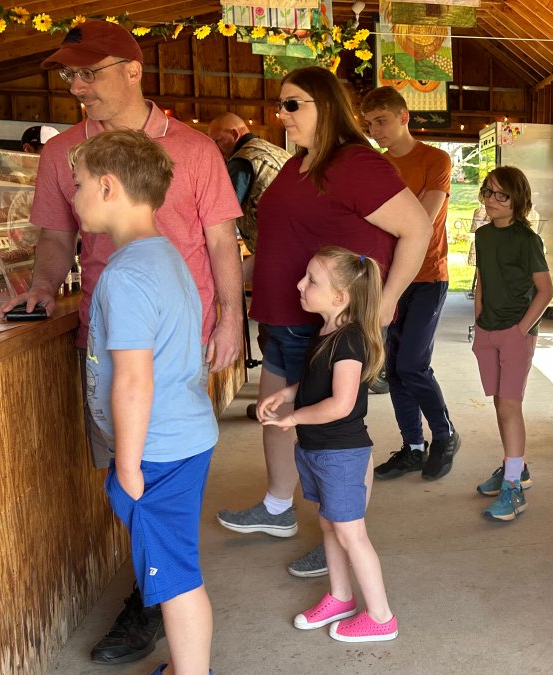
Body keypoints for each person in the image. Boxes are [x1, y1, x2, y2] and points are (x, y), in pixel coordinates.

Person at [2, 20, 243, 666]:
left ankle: (160, 600)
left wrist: (231, 318)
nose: (77, 87)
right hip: (118, 345)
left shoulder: (194, 149)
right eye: (69, 75)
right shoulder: (64, 155)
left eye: (89, 72)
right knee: (148, 495)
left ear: (132, 70)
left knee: (145, 486)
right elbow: (53, 238)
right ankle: (156, 586)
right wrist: (44, 288)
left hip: (165, 351)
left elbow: (222, 242)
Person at [214, 67, 431, 580]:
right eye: (282, 104)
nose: (280, 115)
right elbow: (279, 242)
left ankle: (340, 533)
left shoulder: (355, 163)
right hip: (284, 316)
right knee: (276, 419)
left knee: (334, 440)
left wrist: (386, 300)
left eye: (293, 105)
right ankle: (276, 508)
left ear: (326, 107)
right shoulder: (300, 165)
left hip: (327, 323)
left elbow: (417, 229)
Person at [73, 130, 217, 675]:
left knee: (174, 578)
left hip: (154, 452)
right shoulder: (163, 256)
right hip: (180, 438)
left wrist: (127, 464)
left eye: (80, 184)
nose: (76, 194)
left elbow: (134, 381)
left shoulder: (126, 275)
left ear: (108, 187)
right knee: (176, 566)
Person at [258, 246, 398, 642]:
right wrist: (288, 394)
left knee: (351, 533)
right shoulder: (326, 332)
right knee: (329, 525)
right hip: (317, 451)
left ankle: (381, 617)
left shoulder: (350, 341)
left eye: (311, 280)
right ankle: (339, 596)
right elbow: (319, 382)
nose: (300, 285)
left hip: (341, 455)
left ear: (340, 298)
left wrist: (295, 416)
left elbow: (341, 403)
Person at [360, 86, 461, 482]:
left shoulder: (435, 159)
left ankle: (445, 433)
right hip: (386, 280)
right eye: (369, 125)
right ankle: (413, 446)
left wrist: (391, 221)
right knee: (396, 370)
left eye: (381, 121)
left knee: (412, 364)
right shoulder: (375, 166)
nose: (375, 131)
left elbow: (421, 218)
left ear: (404, 117)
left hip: (427, 276)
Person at [471, 166, 552, 521]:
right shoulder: (483, 236)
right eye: (487, 192)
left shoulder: (527, 239)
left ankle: (514, 489)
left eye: (501, 194)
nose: (491, 200)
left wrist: (521, 330)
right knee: (499, 403)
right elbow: (482, 281)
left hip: (517, 332)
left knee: (509, 405)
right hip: (487, 330)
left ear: (517, 200)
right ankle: (515, 467)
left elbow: (546, 291)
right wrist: (478, 320)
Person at [205, 113, 291, 282]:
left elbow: (223, 215)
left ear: (235, 135)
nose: (216, 147)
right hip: (295, 243)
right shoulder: (276, 151)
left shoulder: (242, 160)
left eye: (218, 141)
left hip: (272, 251)